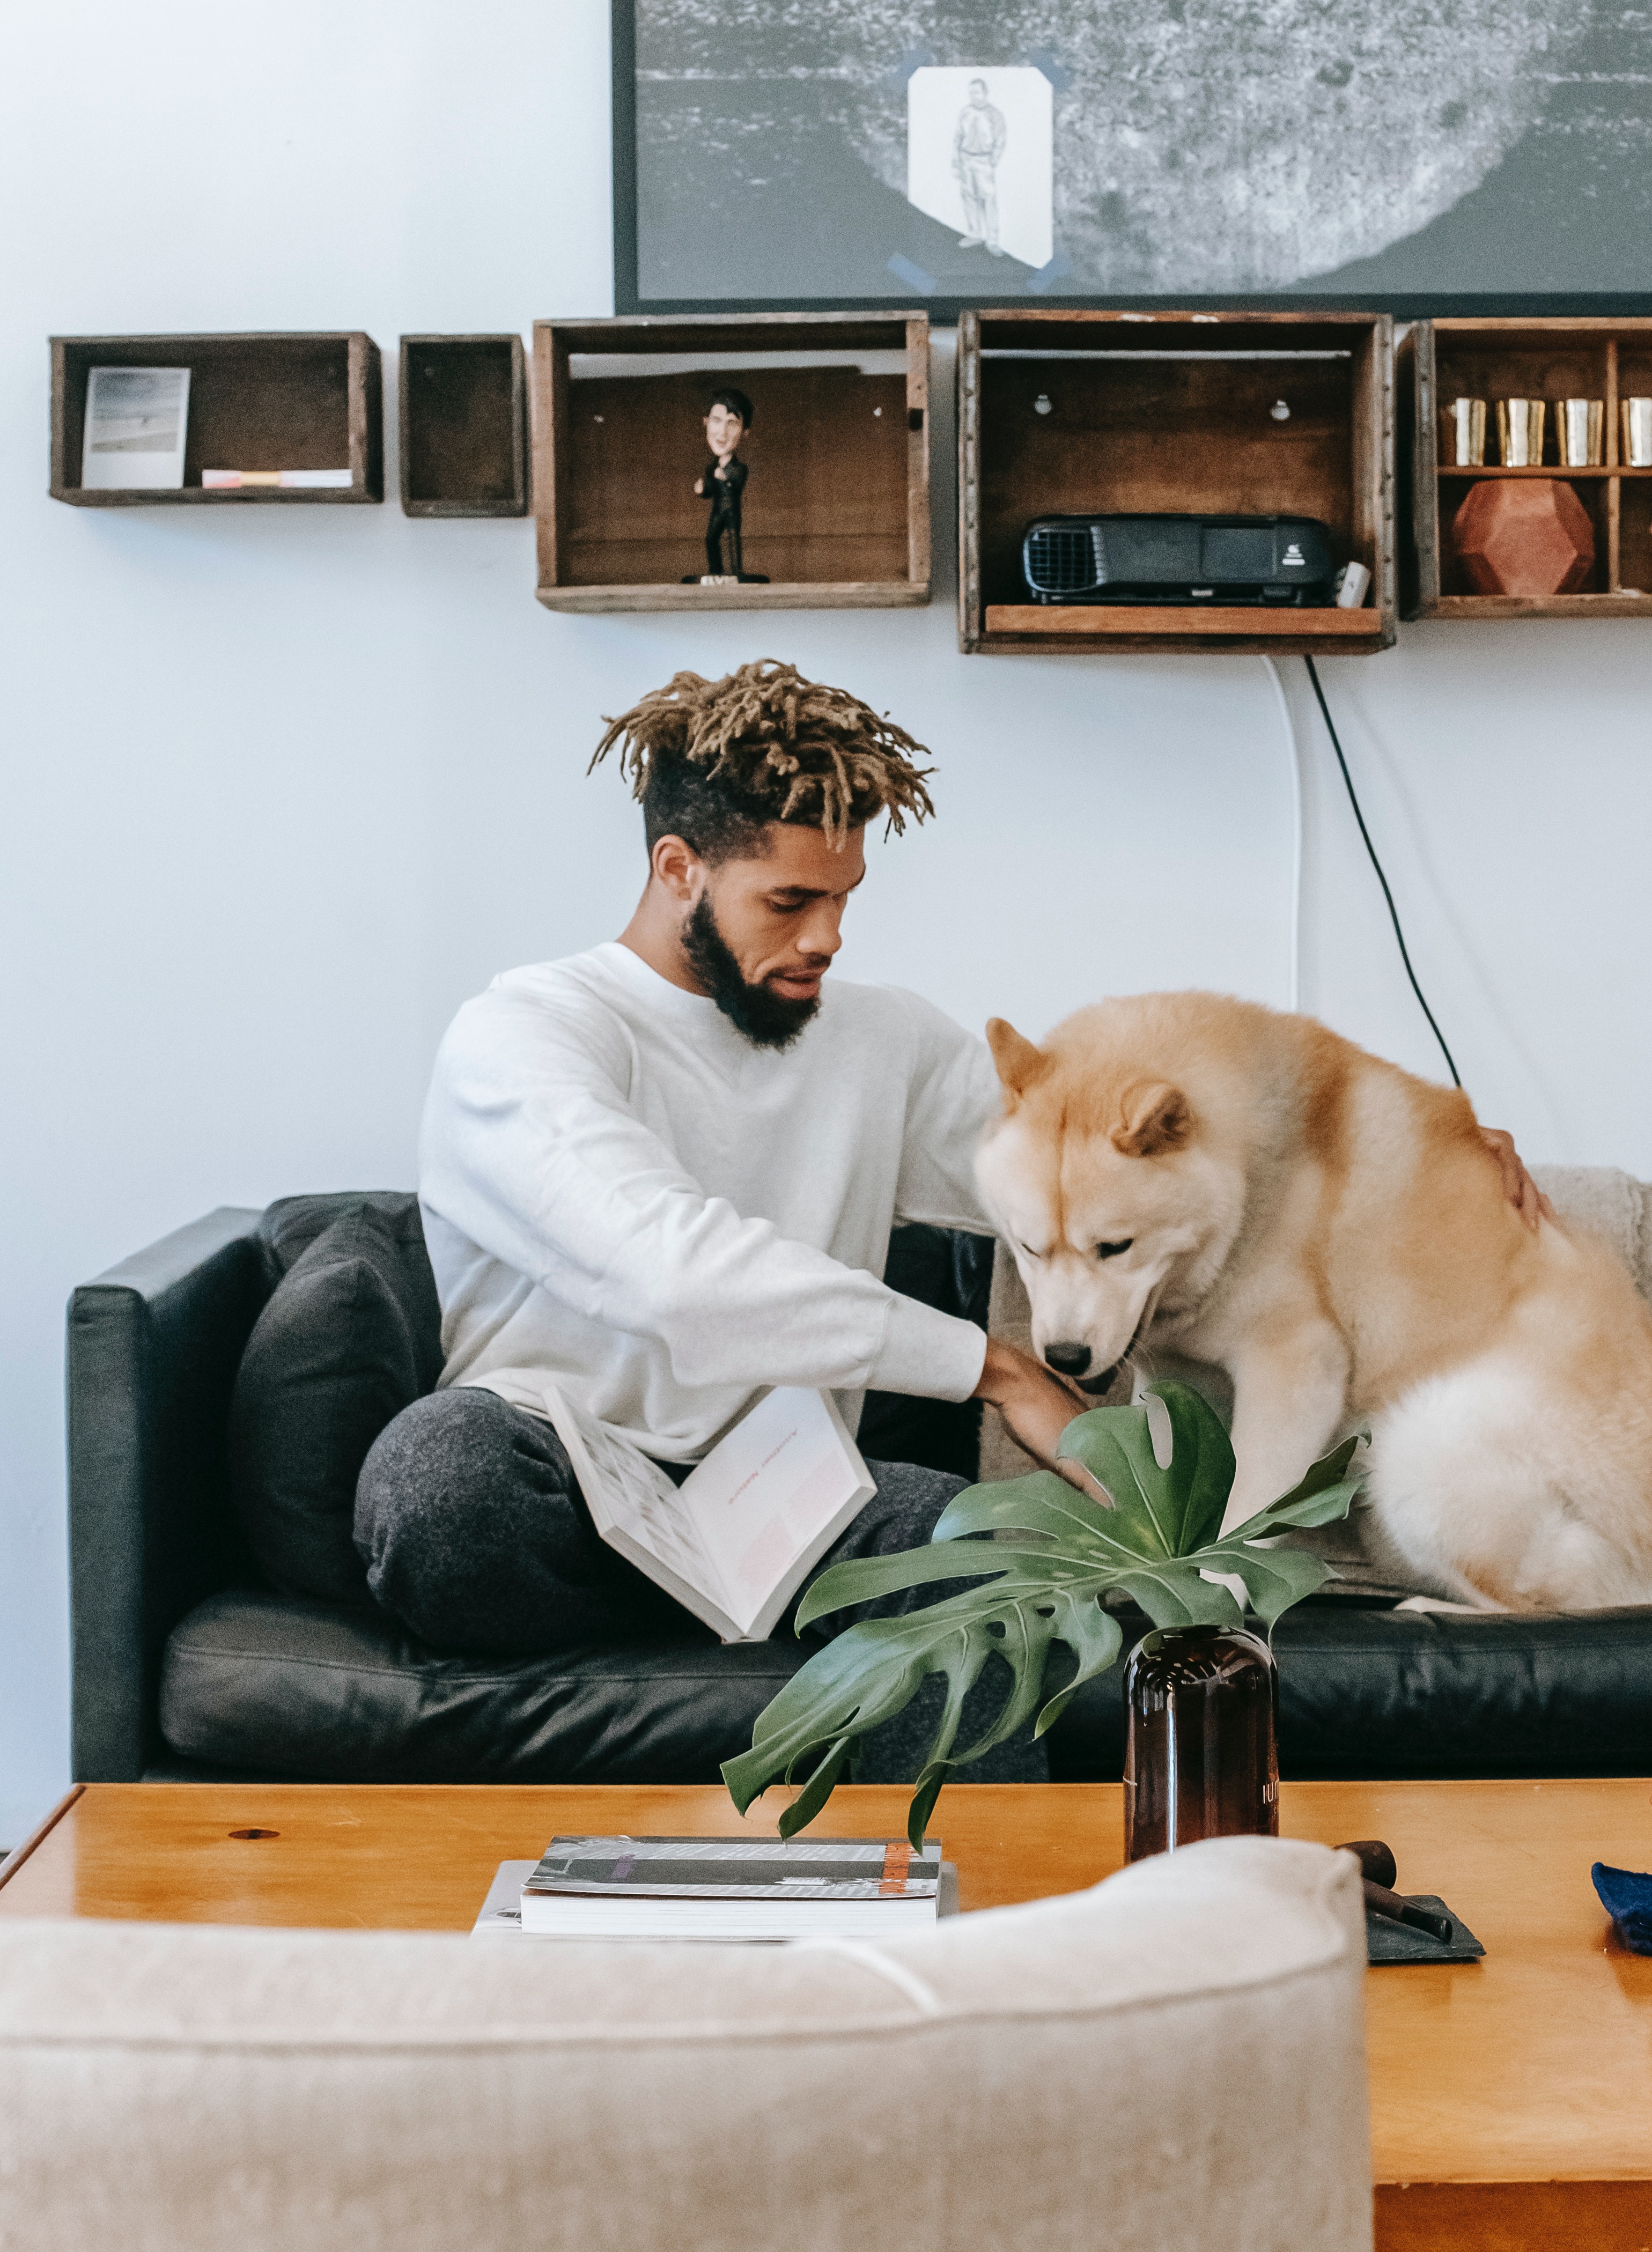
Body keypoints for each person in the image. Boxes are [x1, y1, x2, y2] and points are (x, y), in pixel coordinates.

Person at [355, 658, 1540, 1773]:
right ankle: (713, 1637)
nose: (826, 934)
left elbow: (1101, 1143)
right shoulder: (525, 1035)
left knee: (966, 1554)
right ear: (677, 868)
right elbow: (677, 1278)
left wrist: (1419, 1134)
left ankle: (979, 1953)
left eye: (843, 895)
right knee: (437, 1485)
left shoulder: (881, 1039)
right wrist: (993, 1369)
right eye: (788, 899)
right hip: (552, 1473)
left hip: (782, 1493)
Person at [691, 386, 751, 578]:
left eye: (732, 423)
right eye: (717, 421)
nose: (722, 432)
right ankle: (715, 571)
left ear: (744, 433)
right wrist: (703, 489)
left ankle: (736, 571)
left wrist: (724, 477)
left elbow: (737, 480)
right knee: (711, 539)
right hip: (718, 510)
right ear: (706, 423)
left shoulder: (738, 467)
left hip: (731, 510)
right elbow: (710, 488)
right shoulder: (712, 467)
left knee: (733, 539)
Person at [953, 78, 1006, 253]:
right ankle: (975, 234)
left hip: (984, 161)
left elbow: (1000, 140)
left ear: (985, 93)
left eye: (976, 92)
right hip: (966, 159)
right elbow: (958, 138)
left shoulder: (995, 114)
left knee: (989, 200)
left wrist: (993, 160)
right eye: (971, 93)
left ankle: (992, 241)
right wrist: (956, 163)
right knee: (969, 197)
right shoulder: (965, 112)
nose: (973, 96)